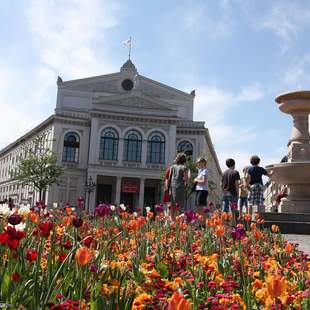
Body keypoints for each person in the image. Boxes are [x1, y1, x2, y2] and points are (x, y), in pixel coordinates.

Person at [169, 153, 188, 219]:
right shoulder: (184, 167)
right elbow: (186, 179)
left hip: (172, 186)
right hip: (180, 187)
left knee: (172, 205)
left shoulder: (172, 167)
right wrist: (186, 185)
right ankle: (177, 221)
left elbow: (169, 178)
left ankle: (172, 220)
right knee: (178, 206)